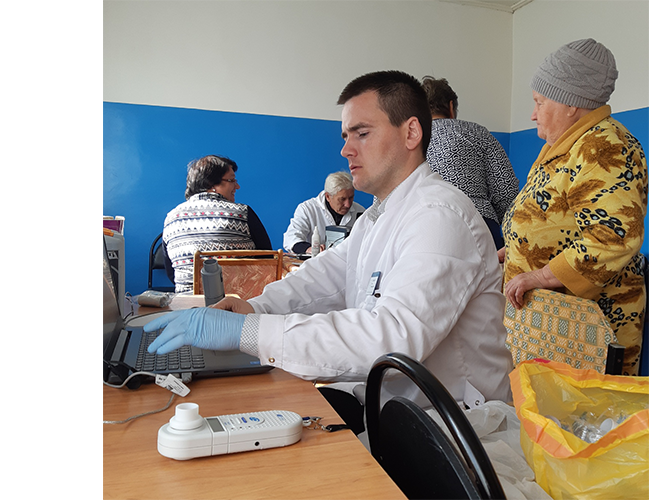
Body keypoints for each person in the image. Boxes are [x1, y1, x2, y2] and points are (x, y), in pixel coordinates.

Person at [144, 71, 513, 429]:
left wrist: (250, 331)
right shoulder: (377, 217)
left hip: (453, 425)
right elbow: (322, 279)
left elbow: (392, 339)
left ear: (411, 133)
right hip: (393, 407)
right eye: (345, 136)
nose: (346, 149)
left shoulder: (440, 215)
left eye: (362, 133)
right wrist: (255, 308)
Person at [502, 38, 648, 375]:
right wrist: (513, 247)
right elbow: (556, 218)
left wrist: (540, 274)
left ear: (571, 104)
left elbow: (613, 236)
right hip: (554, 325)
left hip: (588, 331)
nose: (533, 114)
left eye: (540, 102)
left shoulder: (602, 146)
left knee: (581, 408)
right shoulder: (568, 145)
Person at [422, 76, 519, 249]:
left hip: (425, 228)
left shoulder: (412, 140)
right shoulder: (477, 133)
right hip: (479, 225)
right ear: (451, 107)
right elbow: (506, 190)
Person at [162, 155, 272, 293]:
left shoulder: (171, 218)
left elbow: (171, 272)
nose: (237, 186)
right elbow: (268, 261)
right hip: (239, 301)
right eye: (232, 180)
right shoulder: (242, 213)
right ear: (211, 184)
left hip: (186, 302)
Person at [282, 171, 365, 255]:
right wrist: (309, 249)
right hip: (315, 261)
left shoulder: (360, 211)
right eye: (342, 199)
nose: (348, 204)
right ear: (328, 196)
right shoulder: (307, 209)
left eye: (351, 198)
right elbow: (291, 238)